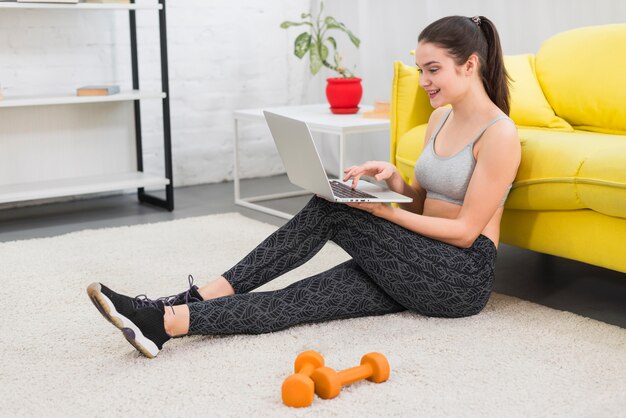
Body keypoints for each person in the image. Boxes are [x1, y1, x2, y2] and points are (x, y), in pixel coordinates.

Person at [87, 15, 521, 359]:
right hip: (414, 258)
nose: (424, 80)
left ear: (470, 64)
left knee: (333, 207)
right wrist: (395, 183)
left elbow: (465, 231)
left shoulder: (498, 135)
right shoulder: (438, 118)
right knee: (300, 300)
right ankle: (164, 322)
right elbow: (423, 205)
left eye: (433, 70)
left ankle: (197, 294)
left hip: (460, 277)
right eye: (420, 69)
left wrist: (387, 213)